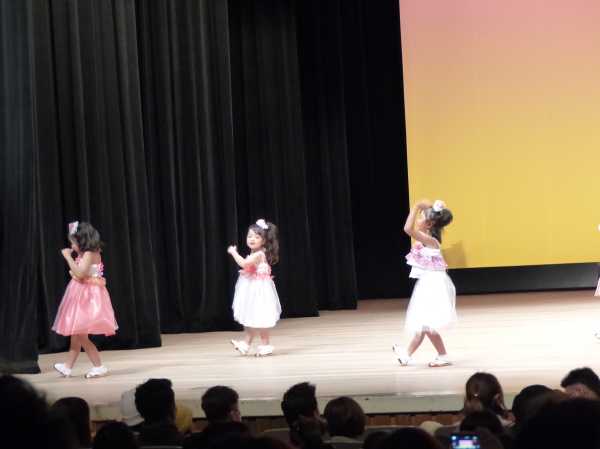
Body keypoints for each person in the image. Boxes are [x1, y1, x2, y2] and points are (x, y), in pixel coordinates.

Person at [393, 200, 456, 367]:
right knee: (423, 324)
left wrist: (416, 207)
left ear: (429, 224)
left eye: (420, 218)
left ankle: (438, 355)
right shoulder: (426, 240)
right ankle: (409, 355)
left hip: (433, 285)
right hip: (428, 283)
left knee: (425, 325)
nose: (417, 220)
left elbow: (407, 229)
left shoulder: (430, 240)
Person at [52, 221, 117, 378]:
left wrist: (68, 257)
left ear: (82, 241)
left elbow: (80, 274)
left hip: (88, 297)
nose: (71, 246)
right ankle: (67, 367)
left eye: (73, 243)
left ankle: (99, 366)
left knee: (81, 335)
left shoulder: (89, 254)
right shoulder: (85, 254)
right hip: (81, 294)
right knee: (76, 334)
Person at [228, 218, 281, 356]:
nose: (252, 239)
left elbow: (244, 264)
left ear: (263, 241)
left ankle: (265, 345)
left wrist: (233, 252)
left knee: (260, 317)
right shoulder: (254, 252)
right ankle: (246, 344)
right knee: (250, 316)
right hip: (251, 288)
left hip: (258, 290)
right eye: (250, 236)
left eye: (257, 237)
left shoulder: (259, 254)